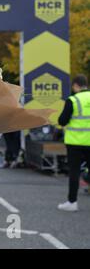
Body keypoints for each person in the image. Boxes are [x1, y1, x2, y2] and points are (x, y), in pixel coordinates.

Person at [57, 74, 90, 212]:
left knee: (74, 172)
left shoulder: (73, 100)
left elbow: (62, 121)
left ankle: (72, 202)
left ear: (76, 85)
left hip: (75, 142)